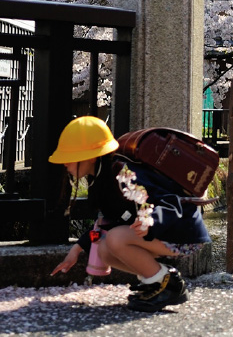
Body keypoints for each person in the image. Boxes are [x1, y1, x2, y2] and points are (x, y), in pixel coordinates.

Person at [49, 116, 210, 312]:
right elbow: (105, 223)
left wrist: (150, 223)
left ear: (90, 155)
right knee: (104, 251)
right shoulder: (101, 178)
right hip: (161, 233)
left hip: (181, 234)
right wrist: (78, 249)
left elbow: (170, 201)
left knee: (115, 239)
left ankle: (167, 283)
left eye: (69, 156)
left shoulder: (124, 174)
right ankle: (156, 279)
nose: (64, 163)